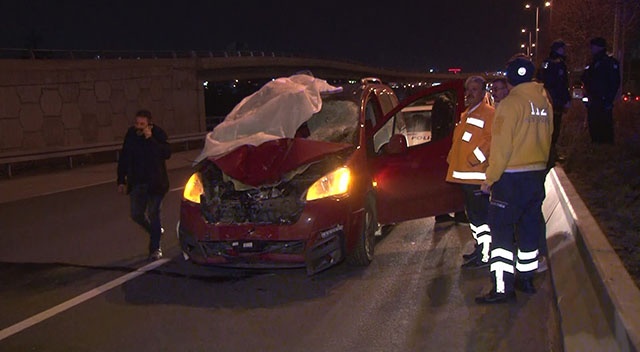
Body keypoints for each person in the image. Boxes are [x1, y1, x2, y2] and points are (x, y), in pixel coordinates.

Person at [476, 56, 553, 304]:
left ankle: (502, 289)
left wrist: (490, 178)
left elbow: (501, 148)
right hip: (536, 175)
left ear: (508, 77)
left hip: (510, 179)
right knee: (529, 229)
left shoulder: (510, 105)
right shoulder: (544, 103)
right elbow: (550, 136)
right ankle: (526, 279)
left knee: (501, 234)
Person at [445, 76, 495, 269]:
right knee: (474, 217)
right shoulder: (466, 114)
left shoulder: (489, 114)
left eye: (475, 89)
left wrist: (474, 159)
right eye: (468, 89)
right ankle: (480, 248)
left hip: (476, 176)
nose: (470, 93)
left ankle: (485, 255)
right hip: (464, 176)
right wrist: (452, 158)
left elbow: (491, 141)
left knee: (481, 218)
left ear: (483, 92)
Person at [117, 109, 171, 261]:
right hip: (137, 182)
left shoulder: (158, 134)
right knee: (136, 214)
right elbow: (124, 157)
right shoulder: (131, 136)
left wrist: (151, 139)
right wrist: (121, 180)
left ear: (149, 125)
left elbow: (166, 153)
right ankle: (155, 232)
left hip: (156, 183)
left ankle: (155, 248)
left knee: (154, 213)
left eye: (142, 124)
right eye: (137, 123)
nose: (139, 127)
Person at [537, 39, 571, 168]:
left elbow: (564, 85)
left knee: (555, 128)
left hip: (556, 101)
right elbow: (549, 82)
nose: (564, 51)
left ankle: (551, 153)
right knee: (551, 129)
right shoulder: (550, 63)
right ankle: (549, 154)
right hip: (551, 100)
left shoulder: (560, 63)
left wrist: (566, 99)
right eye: (562, 48)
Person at [580, 37, 621, 144]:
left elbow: (614, 82)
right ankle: (597, 147)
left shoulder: (608, 63)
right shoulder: (593, 62)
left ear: (599, 47)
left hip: (602, 100)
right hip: (594, 99)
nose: (591, 49)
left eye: (593, 47)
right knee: (594, 125)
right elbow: (585, 77)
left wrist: (608, 99)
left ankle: (604, 149)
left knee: (603, 126)